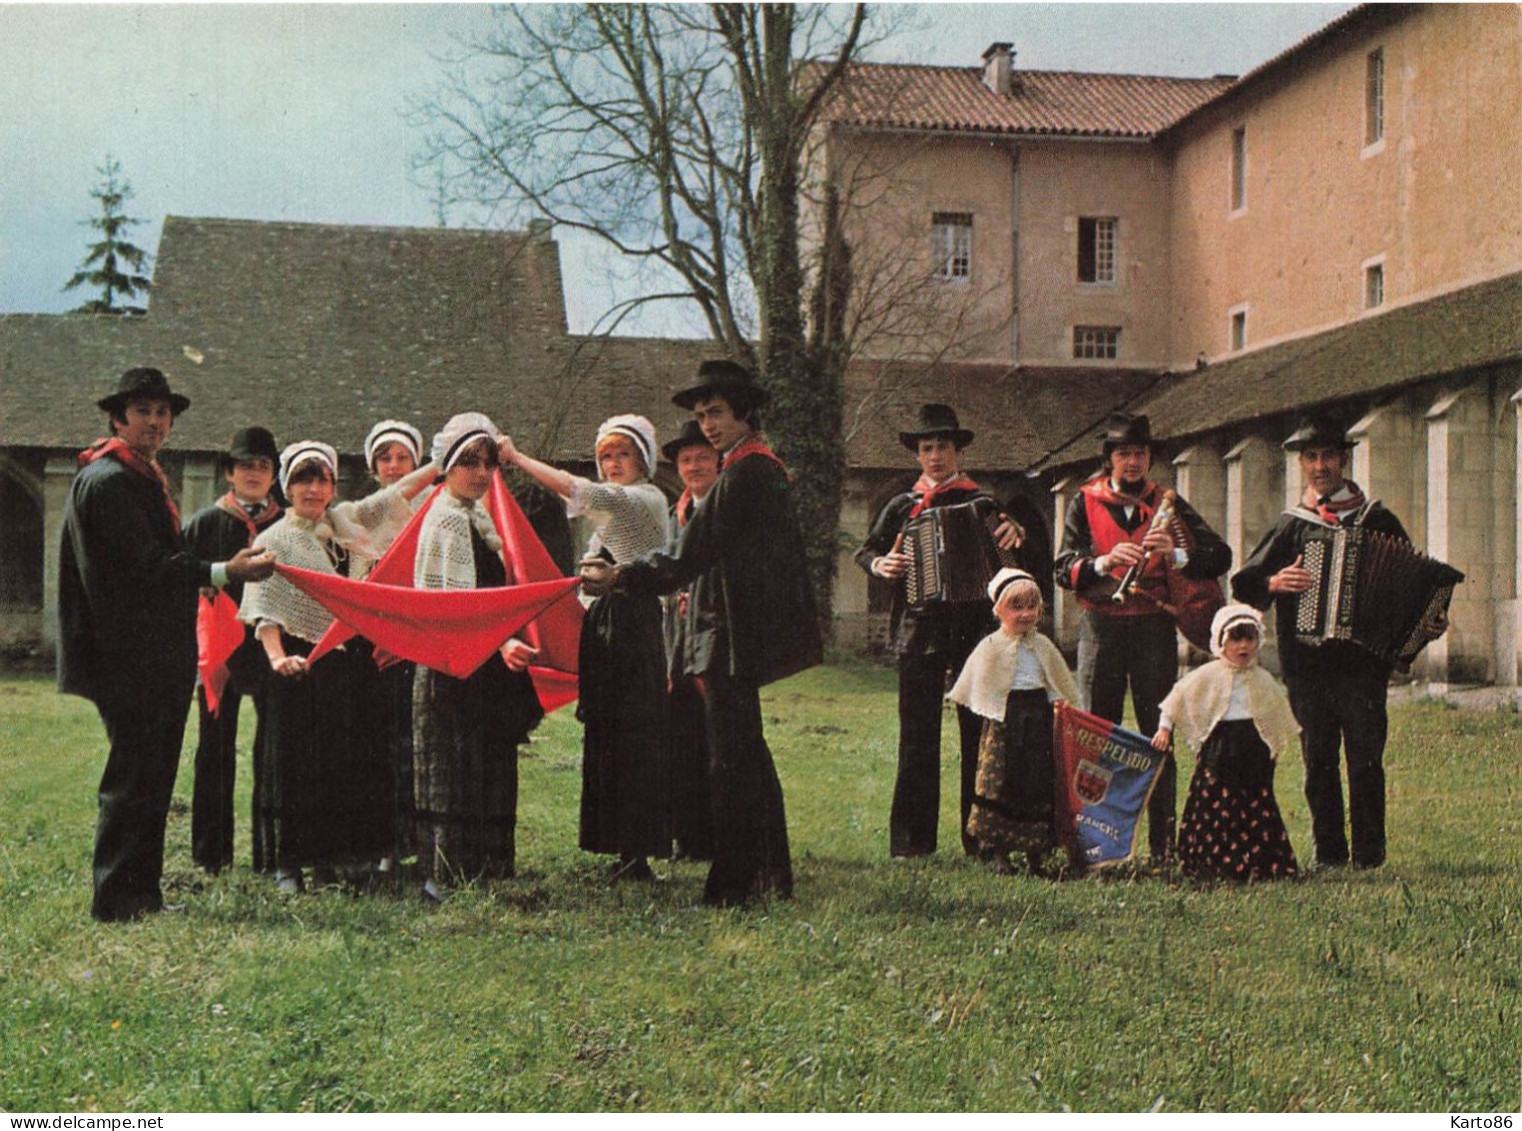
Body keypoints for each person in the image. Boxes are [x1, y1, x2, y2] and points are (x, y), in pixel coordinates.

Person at [581, 359, 822, 906]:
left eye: (716, 413)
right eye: (700, 415)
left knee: (731, 759)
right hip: (726, 628)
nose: (707, 425)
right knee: (745, 755)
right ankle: (766, 876)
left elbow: (691, 553)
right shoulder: (748, 467)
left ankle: (735, 885)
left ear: (744, 412)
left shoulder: (747, 472)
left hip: (729, 633)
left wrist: (623, 575)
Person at [58, 367, 274, 921]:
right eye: (143, 412)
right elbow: (145, 567)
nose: (154, 421)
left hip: (147, 651)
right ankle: (118, 898)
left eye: (162, 413)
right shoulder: (110, 481)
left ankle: (139, 894)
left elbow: (148, 567)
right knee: (135, 779)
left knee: (150, 776)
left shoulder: (133, 475)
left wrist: (197, 575)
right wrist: (223, 570)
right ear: (117, 417)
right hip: (133, 655)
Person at [1230, 414, 1434, 870]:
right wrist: (1277, 580)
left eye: (1327, 456)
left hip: (1363, 665)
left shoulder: (1377, 518)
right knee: (1318, 758)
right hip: (1307, 665)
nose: (1320, 466)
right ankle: (1329, 852)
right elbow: (1244, 583)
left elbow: (1416, 584)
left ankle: (1369, 854)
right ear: (1303, 464)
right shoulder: (1292, 525)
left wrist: (1426, 624)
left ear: (1344, 460)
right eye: (1311, 457)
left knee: (1365, 759)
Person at [238, 440, 435, 891]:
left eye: (321, 479)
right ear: (287, 487)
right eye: (303, 480)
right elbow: (264, 609)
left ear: (332, 485)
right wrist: (277, 658)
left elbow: (394, 495)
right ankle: (290, 863)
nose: (313, 489)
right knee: (298, 766)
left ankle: (330, 860)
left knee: (343, 765)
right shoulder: (275, 539)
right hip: (300, 663)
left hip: (350, 666)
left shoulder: (346, 525)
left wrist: (442, 464)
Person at [1054, 412, 1231, 864]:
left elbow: (1219, 555)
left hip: (1153, 627)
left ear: (1150, 457)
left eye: (1140, 454)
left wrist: (1176, 553)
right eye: (1123, 454)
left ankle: (1163, 847)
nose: (1132, 463)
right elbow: (1063, 569)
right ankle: (1096, 845)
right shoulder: (1085, 501)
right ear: (1109, 459)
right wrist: (1103, 562)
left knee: (1160, 733)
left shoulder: (1167, 502)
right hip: (1102, 628)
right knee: (1097, 734)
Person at [501, 413, 670, 882]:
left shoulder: (642, 500)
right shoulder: (611, 518)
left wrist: (515, 458)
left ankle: (637, 851)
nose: (613, 464)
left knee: (634, 734)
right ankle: (620, 846)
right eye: (606, 456)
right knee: (608, 733)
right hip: (608, 623)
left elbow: (576, 490)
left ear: (643, 460)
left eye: (623, 455)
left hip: (633, 625)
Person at [854, 403, 1024, 859]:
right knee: (917, 736)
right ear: (917, 455)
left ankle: (979, 837)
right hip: (918, 628)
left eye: (943, 447)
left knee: (978, 733)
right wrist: (880, 563)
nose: (935, 456)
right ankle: (912, 843)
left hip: (974, 629)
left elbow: (1011, 556)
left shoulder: (982, 502)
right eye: (927, 448)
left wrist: (1014, 532)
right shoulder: (901, 505)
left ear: (958, 452)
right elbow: (866, 550)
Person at [412, 414, 543, 900]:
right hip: (452, 660)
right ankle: (442, 872)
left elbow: (495, 592)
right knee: (452, 763)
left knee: (486, 761)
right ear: (447, 465)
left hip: (486, 660)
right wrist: (501, 641)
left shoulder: (478, 516)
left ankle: (486, 865)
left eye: (487, 463)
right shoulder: (446, 516)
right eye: (469, 462)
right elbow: (453, 604)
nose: (481, 473)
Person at [182, 425, 283, 875]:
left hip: (270, 646)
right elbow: (180, 576)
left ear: (274, 474)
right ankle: (212, 853)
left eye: (264, 466)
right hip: (220, 646)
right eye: (246, 466)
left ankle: (272, 853)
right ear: (229, 473)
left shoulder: (285, 524)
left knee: (274, 747)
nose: (254, 474)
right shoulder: (206, 522)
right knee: (215, 747)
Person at [1152, 604, 1301, 882]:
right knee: (1214, 802)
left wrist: (1273, 743)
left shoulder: (1262, 678)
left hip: (1253, 747)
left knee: (1256, 802)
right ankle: (1212, 864)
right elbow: (1175, 701)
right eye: (1236, 639)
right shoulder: (1207, 675)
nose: (1244, 646)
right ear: (1221, 642)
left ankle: (1260, 864)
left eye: (1249, 639)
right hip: (1220, 747)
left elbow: (1276, 711)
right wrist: (1164, 730)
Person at [949, 568, 1081, 876]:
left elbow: (1056, 681)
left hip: (1037, 720)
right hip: (1005, 721)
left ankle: (1036, 853)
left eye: (1031, 607)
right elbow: (976, 681)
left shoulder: (1044, 646)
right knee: (1002, 782)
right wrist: (987, 707)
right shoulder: (991, 646)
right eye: (1016, 607)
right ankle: (999, 853)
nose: (1025, 614)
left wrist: (1061, 704)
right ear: (999, 611)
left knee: (1036, 782)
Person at [361, 419, 428, 874]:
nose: (394, 466)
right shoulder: (365, 511)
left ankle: (418, 841)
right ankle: (383, 846)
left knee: (416, 743)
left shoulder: (434, 505)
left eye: (402, 457)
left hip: (420, 638)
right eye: (385, 459)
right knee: (379, 745)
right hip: (375, 638)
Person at [661, 420, 720, 860]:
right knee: (679, 735)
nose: (694, 466)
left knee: (717, 736)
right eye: (685, 460)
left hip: (716, 634)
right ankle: (688, 836)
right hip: (676, 637)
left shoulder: (725, 509)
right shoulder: (674, 516)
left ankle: (720, 834)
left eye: (702, 457)